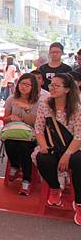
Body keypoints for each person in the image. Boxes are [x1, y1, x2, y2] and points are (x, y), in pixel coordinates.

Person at [33, 73, 81, 226]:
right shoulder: (45, 104)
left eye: (56, 85)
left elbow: (79, 135)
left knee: (78, 161)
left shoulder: (76, 108)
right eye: (51, 85)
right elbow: (39, 129)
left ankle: (79, 203)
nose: (51, 88)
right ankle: (55, 188)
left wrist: (67, 154)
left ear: (67, 89)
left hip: (73, 147)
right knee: (42, 158)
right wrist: (43, 146)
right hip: (53, 145)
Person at [2, 73, 41, 196]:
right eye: (21, 83)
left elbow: (37, 123)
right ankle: (15, 165)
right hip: (13, 131)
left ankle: (26, 180)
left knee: (24, 147)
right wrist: (10, 118)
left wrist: (27, 110)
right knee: (10, 142)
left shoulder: (38, 101)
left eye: (27, 84)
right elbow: (5, 119)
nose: (23, 86)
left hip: (31, 133)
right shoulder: (11, 99)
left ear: (33, 86)